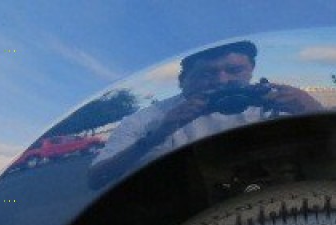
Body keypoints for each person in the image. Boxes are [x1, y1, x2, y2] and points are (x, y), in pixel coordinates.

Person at [90, 40, 320, 187]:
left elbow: (335, 144)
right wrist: (159, 134)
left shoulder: (274, 100)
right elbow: (97, 178)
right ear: (183, 82)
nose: (222, 81)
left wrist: (309, 108)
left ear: (251, 72)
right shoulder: (149, 118)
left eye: (234, 70)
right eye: (207, 74)